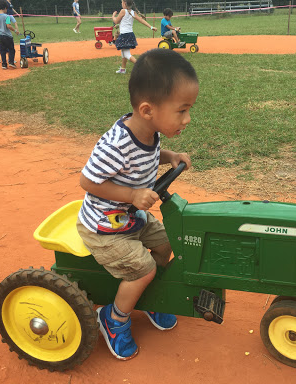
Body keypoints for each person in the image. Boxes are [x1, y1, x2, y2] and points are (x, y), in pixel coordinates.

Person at [76, 48, 199, 360]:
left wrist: (170, 157)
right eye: (182, 110)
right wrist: (132, 196)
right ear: (147, 110)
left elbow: (148, 156)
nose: (187, 118)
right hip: (104, 228)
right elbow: (88, 182)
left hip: (131, 221)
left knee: (168, 241)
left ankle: (147, 297)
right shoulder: (116, 145)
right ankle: (114, 318)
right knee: (143, 269)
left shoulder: (149, 132)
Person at [112, 0, 157, 74]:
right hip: (130, 34)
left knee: (126, 54)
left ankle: (143, 67)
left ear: (125, 3)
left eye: (122, 2)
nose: (121, 3)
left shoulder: (123, 11)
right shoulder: (133, 12)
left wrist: (113, 16)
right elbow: (141, 20)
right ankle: (123, 69)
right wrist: (151, 27)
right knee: (123, 52)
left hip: (124, 35)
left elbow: (116, 21)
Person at [0, 0, 19, 69]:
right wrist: (15, 30)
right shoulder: (7, 17)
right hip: (8, 36)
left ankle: (4, 64)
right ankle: (11, 62)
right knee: (11, 49)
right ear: (5, 8)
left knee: (2, 50)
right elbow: (8, 26)